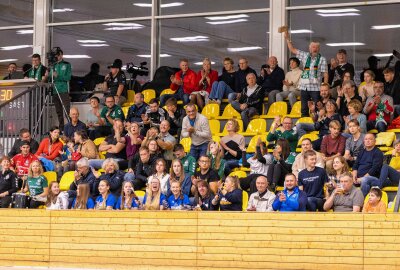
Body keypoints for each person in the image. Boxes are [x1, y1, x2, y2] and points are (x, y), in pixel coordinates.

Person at [283, 30, 328, 117]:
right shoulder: (305, 55)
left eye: (316, 47)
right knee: (304, 109)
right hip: (304, 87)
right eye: (313, 47)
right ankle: (304, 125)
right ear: (309, 48)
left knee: (316, 108)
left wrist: (325, 86)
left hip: (316, 88)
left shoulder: (322, 59)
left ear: (319, 49)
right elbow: (292, 50)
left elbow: (325, 74)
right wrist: (287, 39)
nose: (314, 49)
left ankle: (316, 126)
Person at [45, 48, 72, 130]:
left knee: (67, 110)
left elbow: (68, 77)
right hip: (54, 90)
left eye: (57, 55)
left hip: (63, 90)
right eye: (55, 56)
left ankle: (70, 127)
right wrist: (47, 75)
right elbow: (49, 78)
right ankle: (61, 128)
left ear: (61, 55)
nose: (56, 57)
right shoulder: (53, 66)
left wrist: (58, 76)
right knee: (58, 111)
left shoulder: (67, 64)